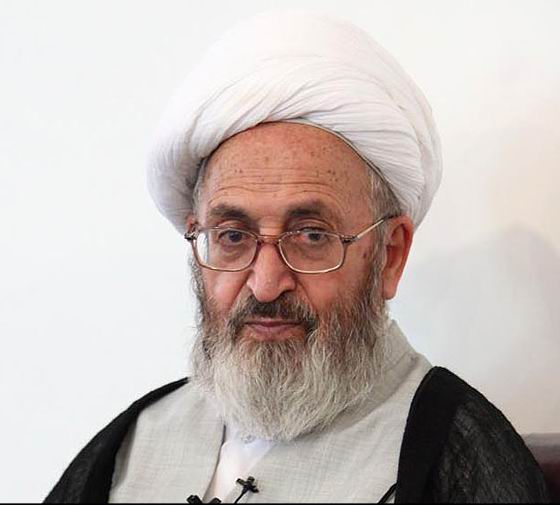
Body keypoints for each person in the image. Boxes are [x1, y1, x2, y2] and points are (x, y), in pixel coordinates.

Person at [45, 10, 549, 504]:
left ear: (389, 255)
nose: (266, 284)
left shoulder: (453, 455)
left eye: (310, 235)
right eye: (233, 236)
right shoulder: (130, 446)